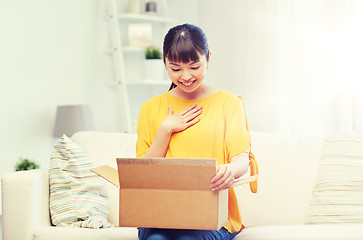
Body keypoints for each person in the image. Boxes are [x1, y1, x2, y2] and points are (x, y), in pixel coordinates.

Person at [136, 23, 251, 240]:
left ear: (209, 58)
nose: (186, 76)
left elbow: (241, 161)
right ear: (165, 63)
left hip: (212, 216)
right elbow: (142, 175)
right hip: (159, 215)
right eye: (176, 69)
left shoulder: (229, 103)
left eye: (194, 67)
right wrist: (165, 130)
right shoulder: (150, 108)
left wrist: (228, 170)